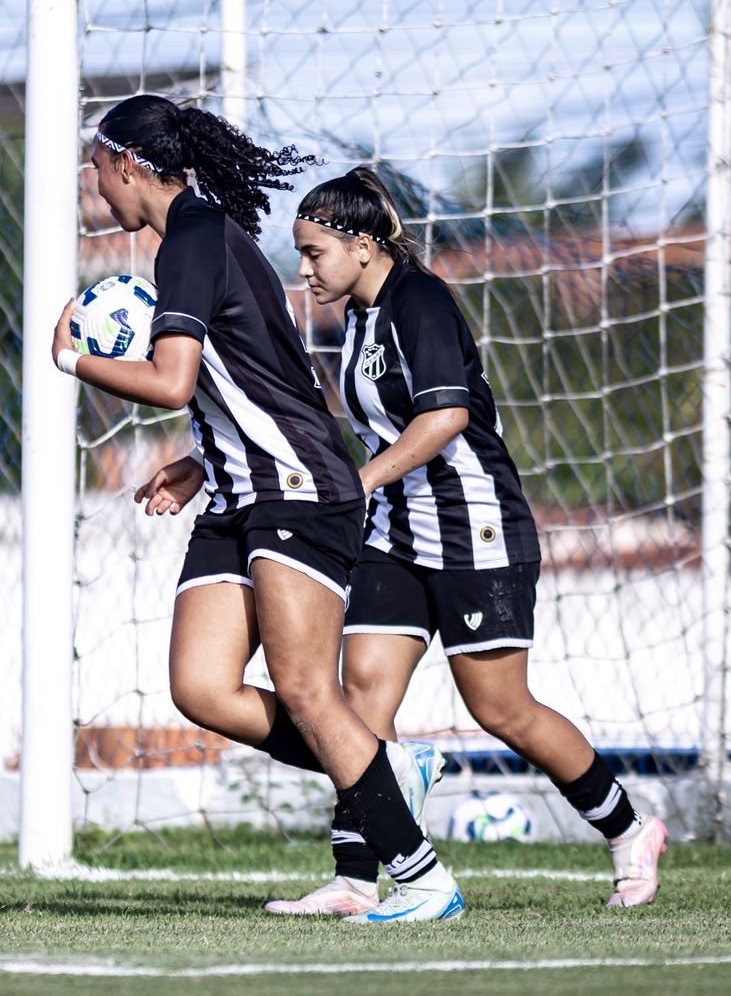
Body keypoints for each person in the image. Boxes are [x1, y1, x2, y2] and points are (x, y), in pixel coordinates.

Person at [54, 94, 464, 923]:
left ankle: (425, 884)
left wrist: (73, 360)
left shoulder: (196, 240)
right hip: (244, 493)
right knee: (201, 688)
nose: (95, 185)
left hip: (300, 492)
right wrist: (202, 461)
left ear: (128, 163)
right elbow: (258, 381)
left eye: (97, 167)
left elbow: (172, 379)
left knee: (307, 690)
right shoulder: (196, 239)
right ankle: (382, 767)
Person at [286, 166, 669, 910]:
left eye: (314, 253)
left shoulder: (419, 301)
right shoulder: (357, 318)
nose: (304, 269)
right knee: (360, 697)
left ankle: (629, 831)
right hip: (398, 533)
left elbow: (446, 417)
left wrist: (357, 484)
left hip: (476, 529)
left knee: (502, 709)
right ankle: (356, 881)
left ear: (362, 246)